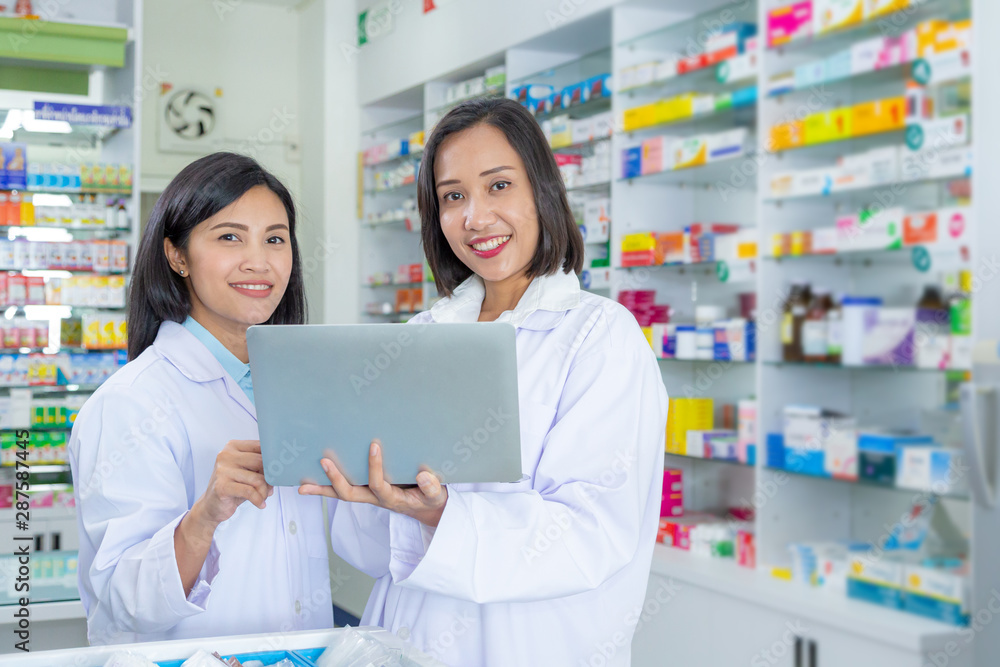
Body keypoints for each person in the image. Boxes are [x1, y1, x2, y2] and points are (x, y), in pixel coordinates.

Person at [300, 98, 668, 666]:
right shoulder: (421, 334)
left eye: (498, 186)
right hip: (404, 638)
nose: (475, 216)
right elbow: (370, 551)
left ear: (542, 191)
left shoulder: (600, 336)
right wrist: (366, 492)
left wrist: (438, 515)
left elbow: (591, 533)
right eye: (453, 196)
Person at [68, 152, 331, 645]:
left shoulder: (297, 391)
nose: (259, 261)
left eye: (275, 239)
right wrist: (205, 515)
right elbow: (121, 603)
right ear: (178, 255)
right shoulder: (130, 403)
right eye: (230, 236)